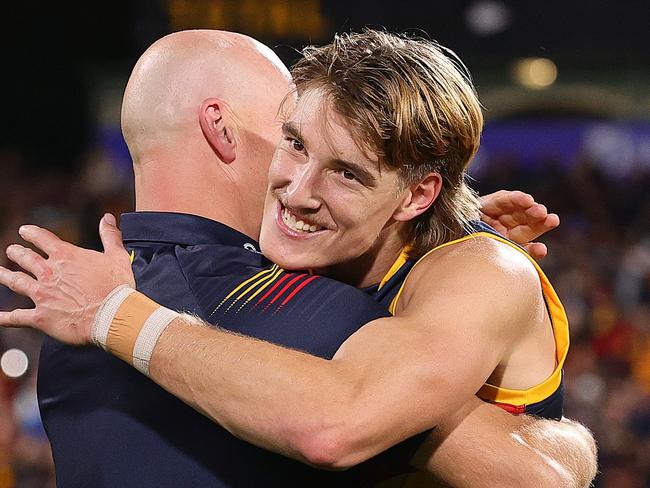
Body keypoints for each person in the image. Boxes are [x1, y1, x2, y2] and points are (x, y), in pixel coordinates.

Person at [0, 30, 595, 487]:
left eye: (346, 174)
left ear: (416, 196)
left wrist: (116, 314)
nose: (298, 189)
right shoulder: (315, 282)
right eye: (293, 142)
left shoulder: (474, 273)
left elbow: (341, 422)